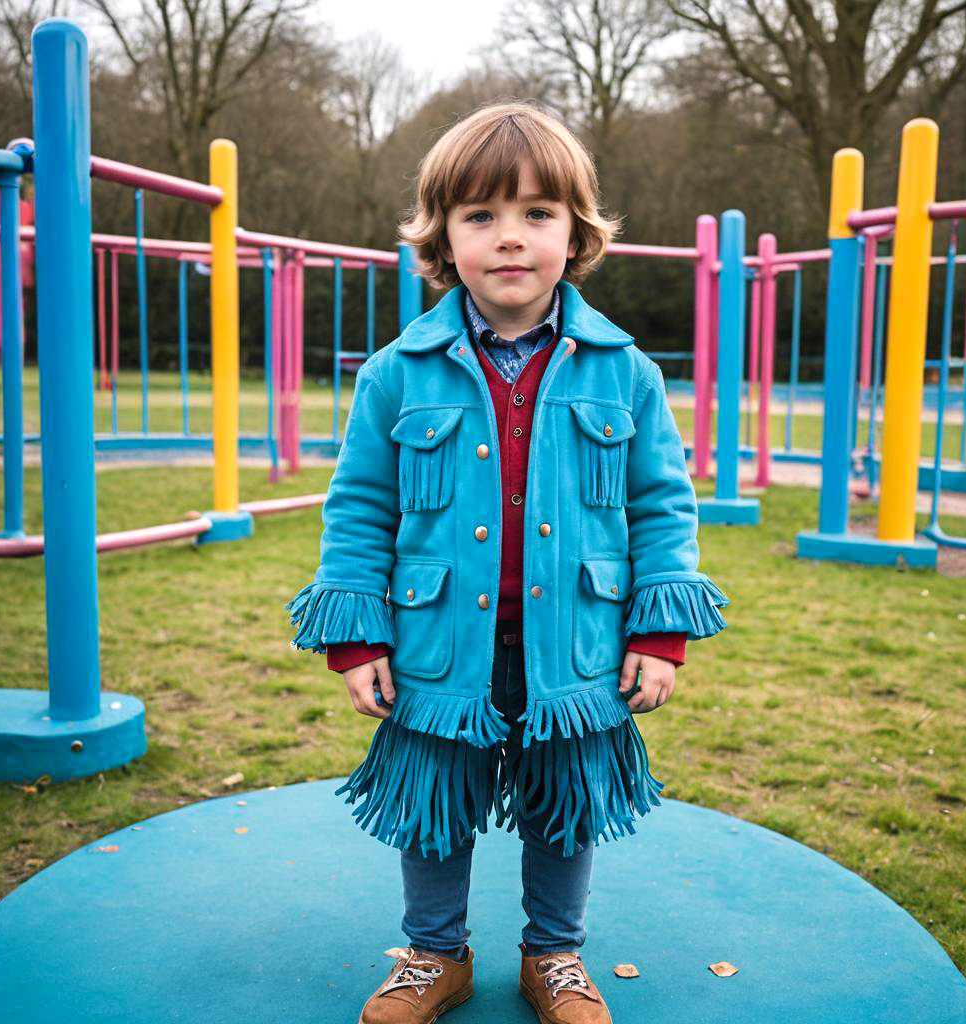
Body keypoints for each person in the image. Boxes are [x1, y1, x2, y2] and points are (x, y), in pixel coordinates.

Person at [286, 101, 730, 1024]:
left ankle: (555, 956)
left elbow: (662, 507)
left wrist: (660, 630)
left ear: (577, 233)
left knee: (563, 804)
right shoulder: (396, 374)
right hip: (440, 641)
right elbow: (361, 507)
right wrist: (356, 637)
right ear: (444, 237)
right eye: (480, 216)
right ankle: (432, 954)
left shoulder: (627, 374)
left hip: (579, 644)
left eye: (537, 214)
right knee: (434, 806)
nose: (510, 238)